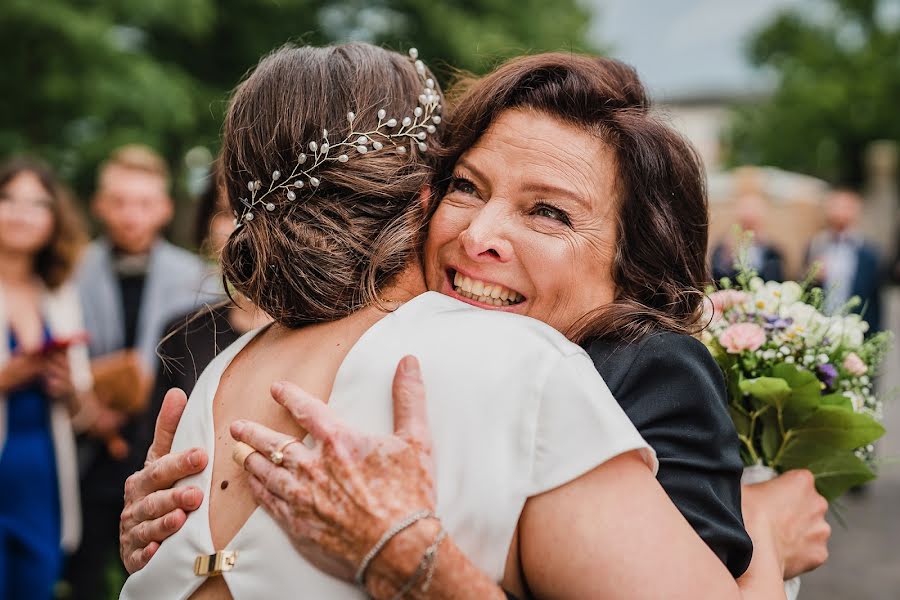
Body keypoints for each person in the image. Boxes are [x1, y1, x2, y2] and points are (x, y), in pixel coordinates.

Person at [116, 44, 816, 599]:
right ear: (420, 196)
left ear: (630, 262)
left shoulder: (622, 371)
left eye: (548, 212)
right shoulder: (239, 377)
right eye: (466, 187)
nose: (480, 232)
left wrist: (756, 541)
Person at [66, 145, 218, 599]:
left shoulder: (198, 276)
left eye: (145, 202)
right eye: (119, 201)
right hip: (84, 450)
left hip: (163, 445)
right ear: (99, 205)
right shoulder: (70, 270)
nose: (131, 215)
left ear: (165, 208)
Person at [0, 158, 95, 599]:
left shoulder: (60, 293)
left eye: (37, 204)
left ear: (54, 219)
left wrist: (67, 388)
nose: (21, 213)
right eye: (8, 199)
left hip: (44, 474)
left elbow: (81, 410)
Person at [148, 166, 270, 440]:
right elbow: (150, 446)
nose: (240, 226)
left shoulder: (321, 334)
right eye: (227, 213)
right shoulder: (182, 333)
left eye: (254, 210)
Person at [806, 188, 883, 332]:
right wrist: (812, 276)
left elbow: (875, 301)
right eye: (835, 206)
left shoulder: (869, 253)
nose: (840, 212)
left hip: (854, 328)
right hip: (820, 327)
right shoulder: (815, 245)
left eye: (846, 207)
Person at [712, 192, 785, 283]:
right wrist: (726, 258)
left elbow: (776, 280)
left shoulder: (772, 252)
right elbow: (716, 278)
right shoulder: (723, 248)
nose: (750, 215)